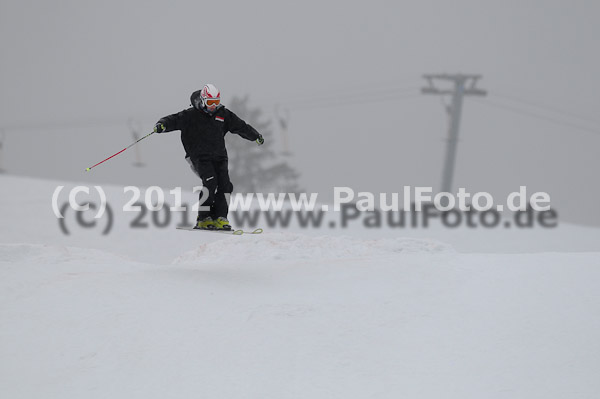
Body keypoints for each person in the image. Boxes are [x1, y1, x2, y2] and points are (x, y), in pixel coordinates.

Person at [153, 84, 264, 230]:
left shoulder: (222, 114)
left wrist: (255, 135)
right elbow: (173, 120)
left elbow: (240, 126)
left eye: (216, 103)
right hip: (199, 156)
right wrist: (162, 125)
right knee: (211, 182)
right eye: (210, 103)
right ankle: (204, 218)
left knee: (225, 185)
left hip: (220, 156)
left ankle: (220, 217)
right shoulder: (191, 115)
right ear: (203, 100)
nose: (213, 106)